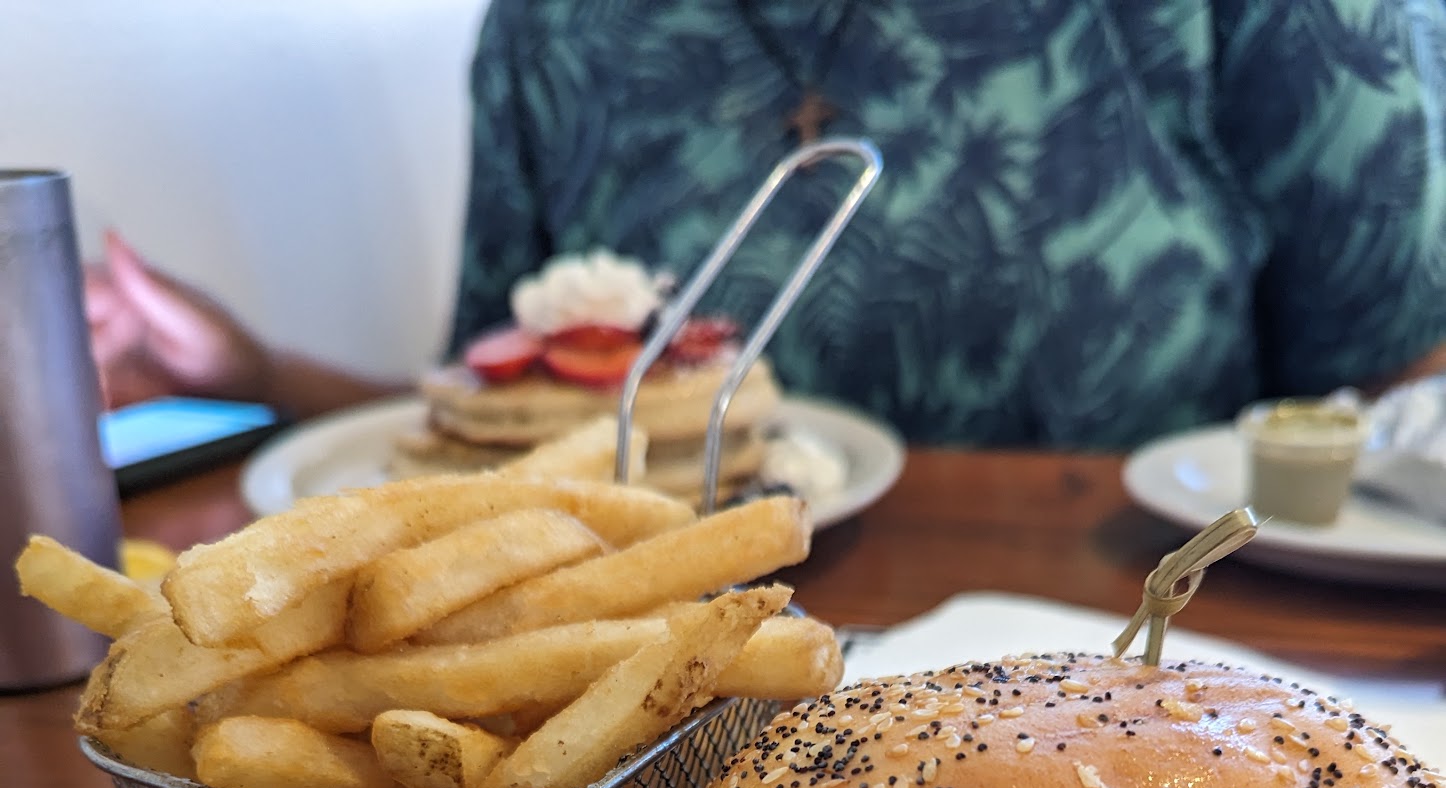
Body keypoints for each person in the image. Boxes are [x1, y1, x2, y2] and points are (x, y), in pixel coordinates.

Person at [87, 0, 1446, 448]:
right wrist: (248, 376)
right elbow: (518, 433)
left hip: (1159, 676)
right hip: (683, 719)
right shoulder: (554, 31)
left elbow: (1408, 391)